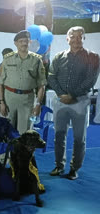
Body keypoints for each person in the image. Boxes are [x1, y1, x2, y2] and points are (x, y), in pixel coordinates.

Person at [48, 26, 100, 180]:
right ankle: (59, 165)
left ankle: (74, 168)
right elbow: (51, 76)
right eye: (73, 36)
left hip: (80, 102)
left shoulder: (93, 57)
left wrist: (72, 95)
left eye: (80, 36)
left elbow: (90, 80)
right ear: (67, 38)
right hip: (61, 102)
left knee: (79, 138)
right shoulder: (58, 57)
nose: (76, 39)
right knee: (59, 136)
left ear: (84, 38)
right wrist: (61, 94)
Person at [0, 30, 47, 134]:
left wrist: (38, 104)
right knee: (6, 131)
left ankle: (23, 151)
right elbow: (1, 83)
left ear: (29, 42)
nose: (24, 43)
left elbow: (41, 85)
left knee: (25, 133)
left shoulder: (37, 60)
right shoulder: (7, 59)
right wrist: (1, 102)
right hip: (9, 99)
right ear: (15, 43)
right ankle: (7, 151)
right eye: (21, 41)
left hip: (27, 100)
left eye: (26, 41)